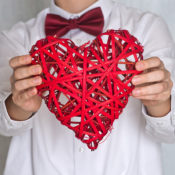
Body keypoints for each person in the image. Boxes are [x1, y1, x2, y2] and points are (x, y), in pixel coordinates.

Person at [0, 0, 175, 174]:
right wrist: (19, 106)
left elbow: (169, 132)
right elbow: (4, 126)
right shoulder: (15, 39)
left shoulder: (147, 27)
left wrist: (159, 101)